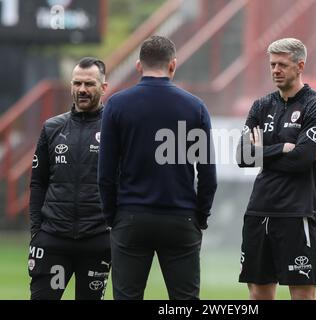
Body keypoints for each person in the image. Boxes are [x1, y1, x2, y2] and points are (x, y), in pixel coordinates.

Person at [98, 35, 217, 300]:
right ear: (173, 65)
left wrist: (112, 217)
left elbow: (105, 173)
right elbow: (208, 173)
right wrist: (200, 216)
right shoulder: (195, 107)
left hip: (131, 215)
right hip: (180, 216)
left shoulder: (117, 104)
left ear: (139, 66)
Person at [236, 38, 316, 300]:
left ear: (300, 65)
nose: (275, 70)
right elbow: (243, 156)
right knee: (258, 293)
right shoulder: (261, 106)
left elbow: (302, 159)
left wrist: (262, 153)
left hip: (297, 212)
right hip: (258, 210)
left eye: (282, 64)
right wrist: (281, 148)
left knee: (302, 295)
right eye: (272, 65)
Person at [28, 57, 111, 300]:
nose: (82, 90)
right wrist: (36, 231)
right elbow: (37, 182)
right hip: (52, 239)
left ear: (103, 87)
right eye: (77, 83)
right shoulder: (52, 128)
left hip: (97, 241)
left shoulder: (114, 130)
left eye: (89, 84)